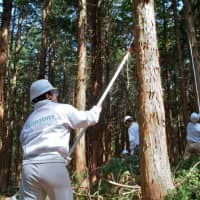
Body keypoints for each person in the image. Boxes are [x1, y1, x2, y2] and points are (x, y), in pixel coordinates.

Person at [19, 79, 102, 200]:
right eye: (54, 93)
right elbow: (88, 119)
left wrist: (58, 157)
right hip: (52, 166)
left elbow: (24, 140)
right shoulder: (61, 109)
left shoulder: (29, 120)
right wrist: (95, 110)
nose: (56, 96)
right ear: (48, 95)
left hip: (28, 169)